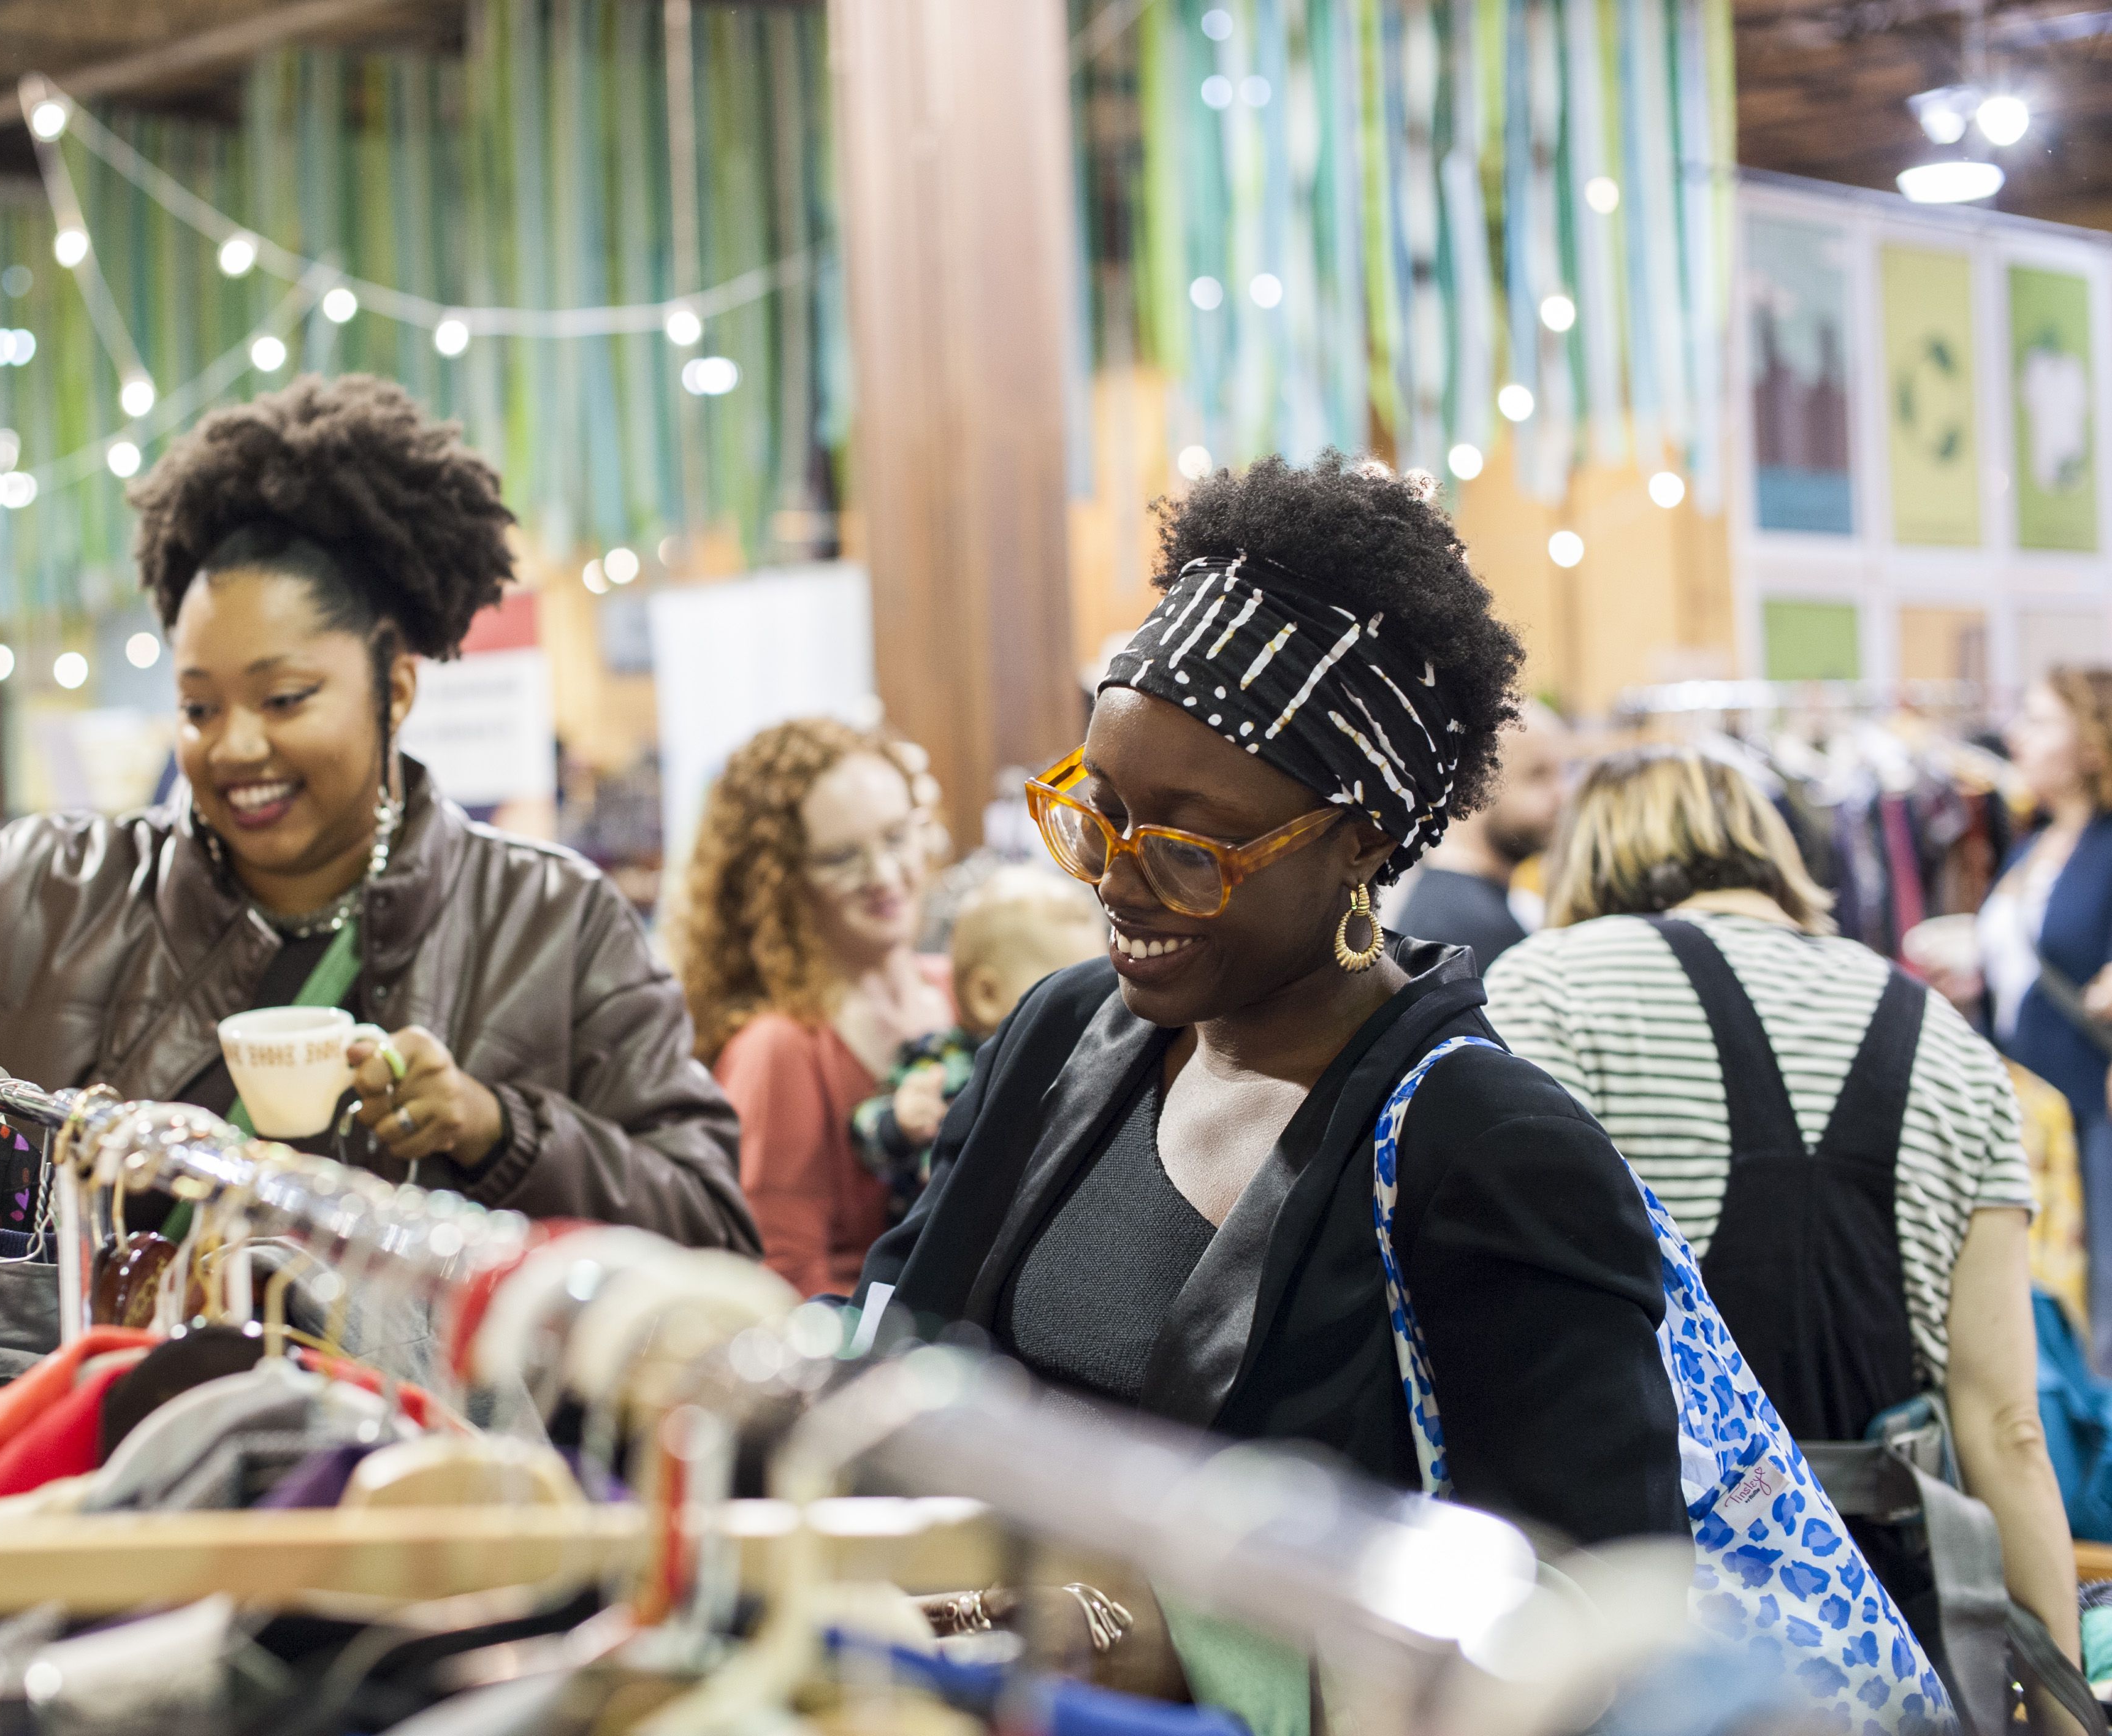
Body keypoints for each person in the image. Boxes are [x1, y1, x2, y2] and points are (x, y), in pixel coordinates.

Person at [858, 454, 1684, 1554]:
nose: (1114, 879)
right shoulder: (1066, 1032)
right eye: (1096, 815)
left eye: (1190, 850)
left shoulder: (1488, 1152)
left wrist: (1160, 1638)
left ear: (1361, 841)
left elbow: (1592, 1611)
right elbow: (903, 1316)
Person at [0, 375, 756, 1251]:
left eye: (283, 699)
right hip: (62, 1447)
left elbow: (711, 1222)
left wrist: (499, 1131)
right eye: (197, 706)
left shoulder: (553, 924)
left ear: (394, 686)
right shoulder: (38, 889)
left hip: (402, 1465)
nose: (232, 747)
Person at [1482, 745, 2078, 1683]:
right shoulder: (1952, 1044)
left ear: (1592, 856)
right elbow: (2006, 1427)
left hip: (1649, 1616)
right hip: (1890, 1624)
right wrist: (2062, 1704)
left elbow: (1517, 1358)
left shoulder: (1544, 988)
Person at [675, 718, 953, 1296]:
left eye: (897, 837)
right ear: (778, 882)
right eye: (840, 858)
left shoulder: (964, 991)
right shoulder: (779, 1049)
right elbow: (785, 1286)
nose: (883, 876)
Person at [1946, 671, 2112, 1365]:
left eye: (2041, 721)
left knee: (2098, 1312)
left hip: (2090, 1104)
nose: (2016, 735)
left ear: (2092, 740)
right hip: (2026, 1115)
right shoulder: (2029, 846)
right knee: (2042, 1308)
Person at [850, 867, 1107, 1221]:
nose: (1098, 1013)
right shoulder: (945, 1063)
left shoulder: (1091, 1067)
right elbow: (866, 1133)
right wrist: (900, 1122)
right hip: (938, 1242)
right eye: (1069, 998)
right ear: (987, 995)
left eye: (1104, 994)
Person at [1385, 698, 1566, 966]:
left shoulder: (1453, 904)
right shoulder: (1470, 928)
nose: (1562, 796)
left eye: (1563, 774)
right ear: (1471, 789)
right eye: (1536, 776)